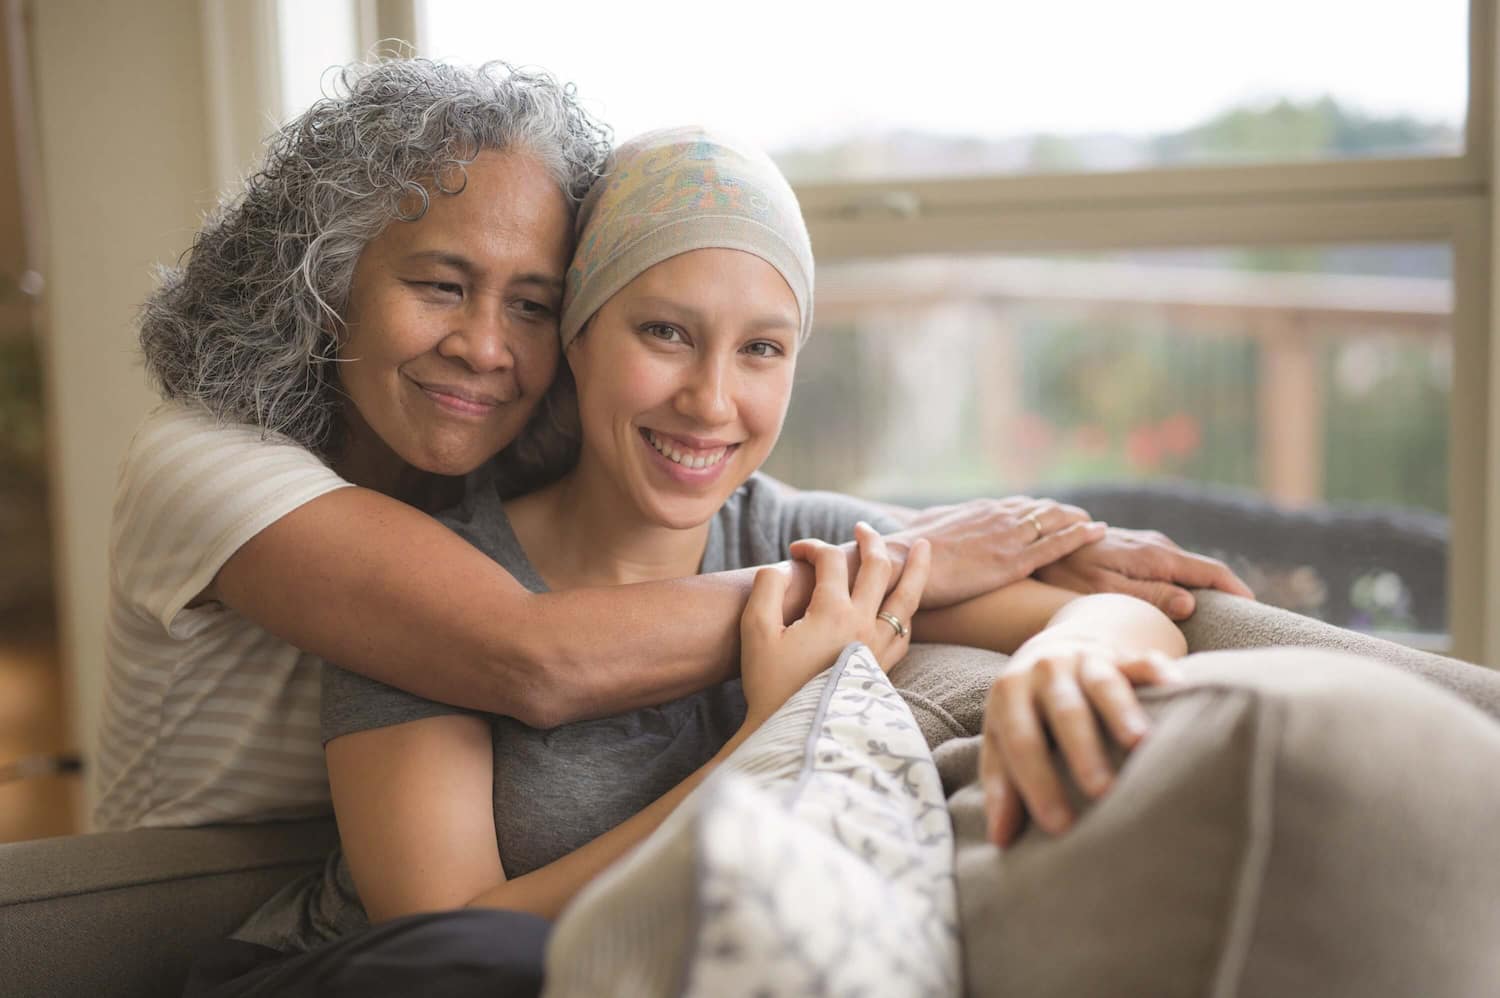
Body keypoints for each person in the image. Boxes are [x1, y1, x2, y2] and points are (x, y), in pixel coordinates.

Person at [100, 57, 1249, 833]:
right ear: (326, 279)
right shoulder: (204, 461)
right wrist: (920, 563)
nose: (487, 347)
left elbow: (763, 515)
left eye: (535, 304)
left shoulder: (490, 461)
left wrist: (1068, 598)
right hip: (184, 892)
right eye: (442, 285)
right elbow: (529, 652)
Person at [185, 127, 1188, 998]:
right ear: (575, 336)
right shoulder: (443, 581)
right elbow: (452, 931)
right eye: (665, 332)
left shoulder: (799, 541)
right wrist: (765, 740)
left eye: (762, 349)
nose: (711, 401)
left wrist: (1078, 650)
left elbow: (1128, 609)